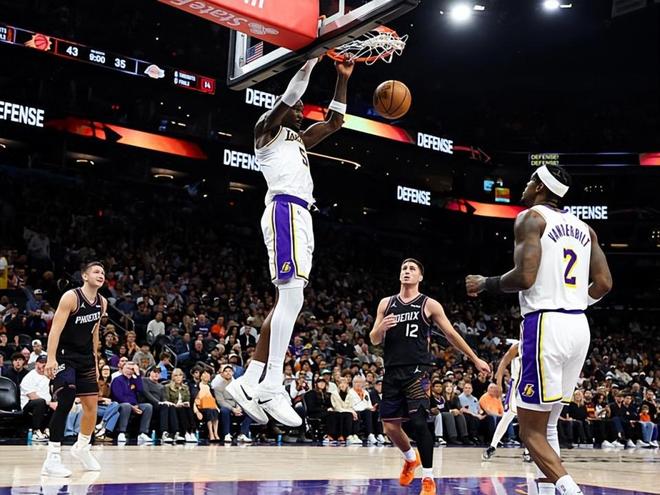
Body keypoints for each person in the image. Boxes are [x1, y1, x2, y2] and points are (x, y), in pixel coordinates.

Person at [466, 164, 613, 495]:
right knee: (548, 427)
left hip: (546, 324)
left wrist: (485, 283)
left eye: (531, 180)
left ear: (541, 188)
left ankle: (572, 491)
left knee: (530, 431)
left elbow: (524, 277)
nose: (526, 184)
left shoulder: (531, 218)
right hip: (578, 325)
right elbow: (604, 283)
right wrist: (573, 301)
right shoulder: (586, 229)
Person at [226, 57, 355, 428]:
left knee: (286, 301)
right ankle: (272, 384)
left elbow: (334, 122)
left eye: (301, 109)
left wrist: (342, 78)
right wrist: (311, 60)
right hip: (285, 209)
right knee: (292, 298)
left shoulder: (299, 139)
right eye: (296, 107)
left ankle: (249, 380)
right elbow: (291, 93)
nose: (300, 111)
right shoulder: (266, 129)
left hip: (301, 214)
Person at [371, 258, 490, 495]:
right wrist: (381, 328)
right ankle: (410, 458)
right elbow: (374, 339)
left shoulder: (429, 304)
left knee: (418, 423)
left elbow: (451, 334)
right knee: (390, 427)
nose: (407, 271)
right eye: (404, 268)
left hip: (417, 370)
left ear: (420, 277)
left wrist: (475, 359)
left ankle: (428, 478)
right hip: (392, 371)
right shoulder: (386, 303)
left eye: (412, 269)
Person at [43, 261, 108, 477]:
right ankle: (52, 458)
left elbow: (94, 333)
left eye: (103, 272)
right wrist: (51, 358)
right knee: (67, 398)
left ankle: (82, 447)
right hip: (64, 356)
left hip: (85, 358)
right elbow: (55, 330)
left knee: (91, 406)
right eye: (96, 271)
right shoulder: (71, 297)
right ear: (85, 276)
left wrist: (95, 362)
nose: (101, 274)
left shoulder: (102, 302)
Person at [482, 341, 530, 461]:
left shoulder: (540, 347)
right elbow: (503, 363)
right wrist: (499, 384)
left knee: (529, 419)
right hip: (516, 386)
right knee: (507, 416)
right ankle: (493, 446)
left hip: (530, 386)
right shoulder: (518, 346)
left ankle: (528, 450)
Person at [110, 361, 153, 443]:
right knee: (126, 406)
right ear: (123, 368)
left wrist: (138, 374)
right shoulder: (117, 380)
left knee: (148, 406)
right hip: (120, 404)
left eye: (132, 369)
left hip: (134, 405)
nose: (129, 370)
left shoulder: (134, 380)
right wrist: (132, 406)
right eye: (128, 368)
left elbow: (140, 389)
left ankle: (143, 433)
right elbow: (118, 396)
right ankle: (121, 432)